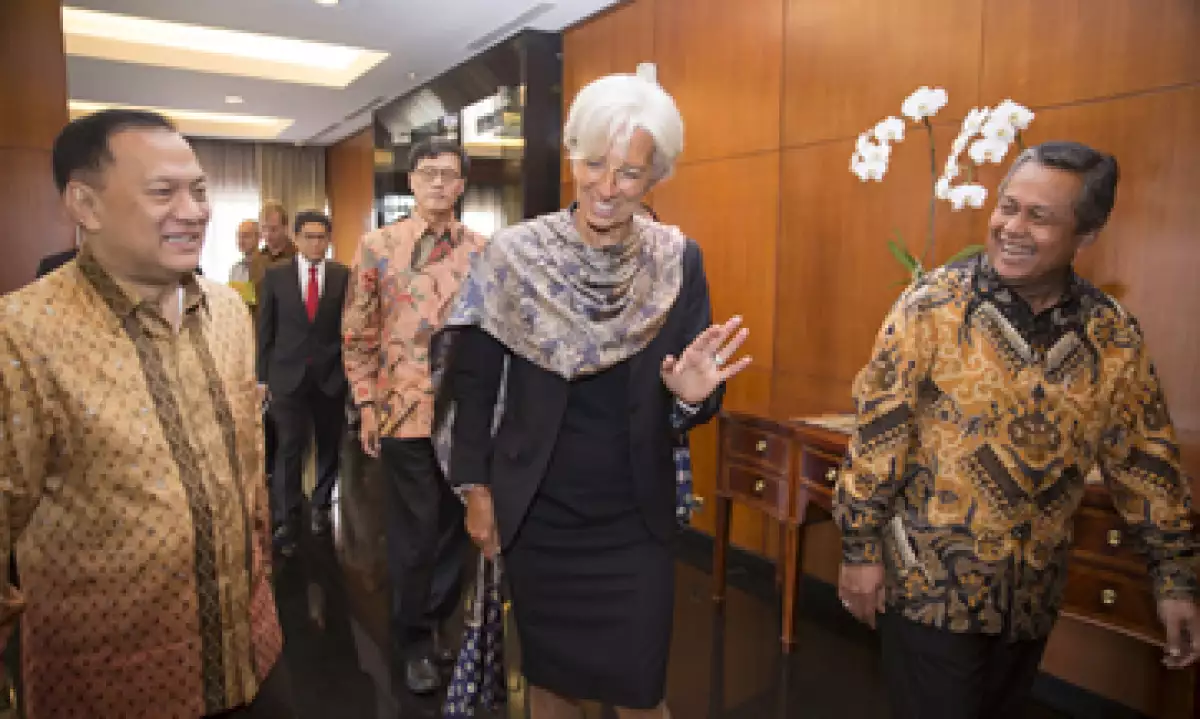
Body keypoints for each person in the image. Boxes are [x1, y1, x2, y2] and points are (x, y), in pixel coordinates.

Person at [835, 141, 1199, 719]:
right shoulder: (932, 307)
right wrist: (859, 547)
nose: (1012, 227)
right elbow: (879, 434)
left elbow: (1145, 460)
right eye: (1008, 207)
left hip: (1031, 599)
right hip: (930, 589)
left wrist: (1176, 580)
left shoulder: (1113, 335)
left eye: (1039, 216)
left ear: (1086, 235)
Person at [435, 73, 752, 719]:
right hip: (538, 512)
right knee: (551, 686)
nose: (608, 188)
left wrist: (690, 398)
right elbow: (473, 384)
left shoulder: (676, 260)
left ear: (655, 175)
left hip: (633, 517)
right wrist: (476, 488)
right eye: (594, 164)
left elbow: (691, 396)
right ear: (572, 154)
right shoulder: (514, 256)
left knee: (641, 693)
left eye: (630, 173)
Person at [0, 109, 287, 717]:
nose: (194, 210)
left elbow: (248, 474)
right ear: (86, 205)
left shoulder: (229, 312)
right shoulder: (21, 339)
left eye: (200, 190)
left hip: (249, 658)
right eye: (163, 192)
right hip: (112, 687)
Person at [342, 138, 486, 694]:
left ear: (462, 185)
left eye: (449, 175)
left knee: (455, 528)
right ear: (410, 181)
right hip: (404, 412)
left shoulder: (481, 249)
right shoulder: (378, 246)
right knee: (414, 531)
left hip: (466, 414)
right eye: (428, 173)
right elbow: (358, 333)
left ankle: (438, 623)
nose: (438, 184)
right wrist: (365, 405)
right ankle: (413, 640)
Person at [257, 210, 349, 556]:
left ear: (328, 240)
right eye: (309, 236)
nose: (315, 243)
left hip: (329, 377)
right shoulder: (276, 277)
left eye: (321, 237)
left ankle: (322, 508)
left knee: (328, 446)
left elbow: (348, 329)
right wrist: (262, 378)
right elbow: (265, 330)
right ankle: (287, 518)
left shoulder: (342, 277)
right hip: (287, 377)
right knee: (288, 450)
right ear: (296, 239)